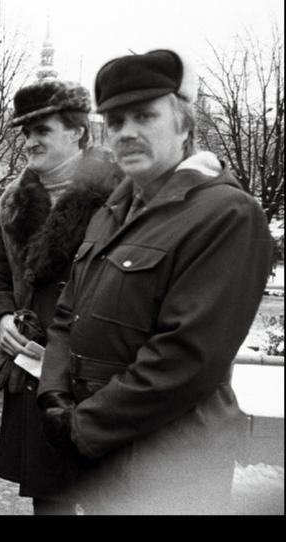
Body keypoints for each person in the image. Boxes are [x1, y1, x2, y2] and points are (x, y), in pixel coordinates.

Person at [37, 49, 272, 514]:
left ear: (184, 124)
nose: (126, 132)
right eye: (115, 119)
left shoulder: (226, 214)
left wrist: (83, 426)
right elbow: (69, 313)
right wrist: (54, 398)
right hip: (102, 461)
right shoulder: (115, 209)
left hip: (171, 469)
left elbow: (185, 359)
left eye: (145, 115)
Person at [0, 80, 121, 515]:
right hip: (37, 375)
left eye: (41, 130)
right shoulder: (13, 201)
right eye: (25, 132)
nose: (29, 141)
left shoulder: (122, 196)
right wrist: (3, 317)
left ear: (77, 131)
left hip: (103, 380)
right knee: (51, 505)